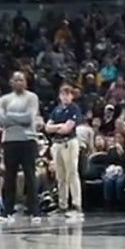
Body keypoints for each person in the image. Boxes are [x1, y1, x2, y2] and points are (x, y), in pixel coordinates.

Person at [0, 71, 41, 223]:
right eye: (15, 79)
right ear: (11, 82)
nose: (18, 82)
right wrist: (17, 118)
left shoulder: (32, 97)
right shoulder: (4, 99)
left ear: (26, 82)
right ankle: (7, 211)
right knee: (9, 176)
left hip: (28, 140)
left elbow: (29, 118)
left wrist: (10, 117)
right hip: (9, 141)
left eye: (21, 80)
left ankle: (34, 211)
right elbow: (0, 120)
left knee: (30, 175)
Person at [45, 84, 84, 220]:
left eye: (68, 94)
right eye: (63, 94)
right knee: (60, 176)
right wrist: (58, 126)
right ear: (60, 96)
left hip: (69, 143)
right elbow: (47, 127)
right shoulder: (56, 110)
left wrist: (57, 127)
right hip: (57, 144)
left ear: (72, 96)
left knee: (72, 173)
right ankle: (62, 204)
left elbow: (67, 128)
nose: (65, 97)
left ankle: (76, 204)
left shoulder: (74, 109)